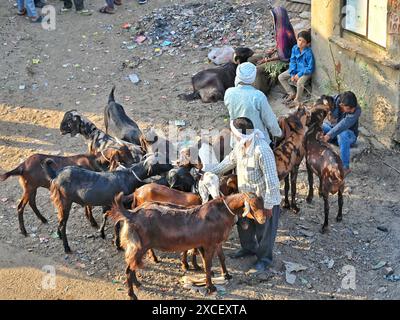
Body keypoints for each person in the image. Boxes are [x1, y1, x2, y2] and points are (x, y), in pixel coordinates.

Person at [209, 117, 281, 273]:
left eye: (234, 133)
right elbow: (227, 163)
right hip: (245, 198)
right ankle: (248, 248)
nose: (233, 136)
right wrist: (208, 172)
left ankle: (264, 259)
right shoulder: (240, 146)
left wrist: (269, 205)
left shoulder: (261, 150)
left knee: (264, 231)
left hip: (263, 200)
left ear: (239, 135)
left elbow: (272, 181)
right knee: (244, 226)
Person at [224, 62, 282, 149]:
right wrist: (278, 134)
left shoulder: (229, 93)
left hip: (237, 141)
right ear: (253, 77)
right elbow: (270, 121)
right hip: (258, 143)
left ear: (238, 76)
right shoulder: (258, 96)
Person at [248, 6, 297, 95]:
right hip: (280, 55)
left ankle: (261, 91)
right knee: (252, 59)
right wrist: (274, 49)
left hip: (285, 61)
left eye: (273, 17)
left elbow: (283, 56)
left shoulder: (283, 33)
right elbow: (284, 46)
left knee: (258, 69)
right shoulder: (284, 26)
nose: (272, 19)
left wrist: (267, 60)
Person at [321, 91, 361, 176]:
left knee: (342, 133)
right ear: (341, 105)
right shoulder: (334, 100)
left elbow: (344, 125)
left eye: (353, 108)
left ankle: (345, 167)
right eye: (349, 108)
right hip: (333, 131)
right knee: (320, 126)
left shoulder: (356, 110)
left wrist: (328, 135)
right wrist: (326, 107)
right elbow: (322, 100)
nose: (352, 110)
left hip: (349, 136)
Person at [278, 30, 315, 107]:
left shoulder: (308, 52)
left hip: (306, 72)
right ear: (297, 39)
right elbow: (292, 61)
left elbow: (310, 67)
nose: (300, 43)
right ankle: (291, 93)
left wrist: (299, 74)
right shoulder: (294, 48)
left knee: (299, 82)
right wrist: (292, 74)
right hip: (296, 70)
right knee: (281, 77)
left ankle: (297, 100)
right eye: (299, 40)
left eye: (303, 42)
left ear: (307, 44)